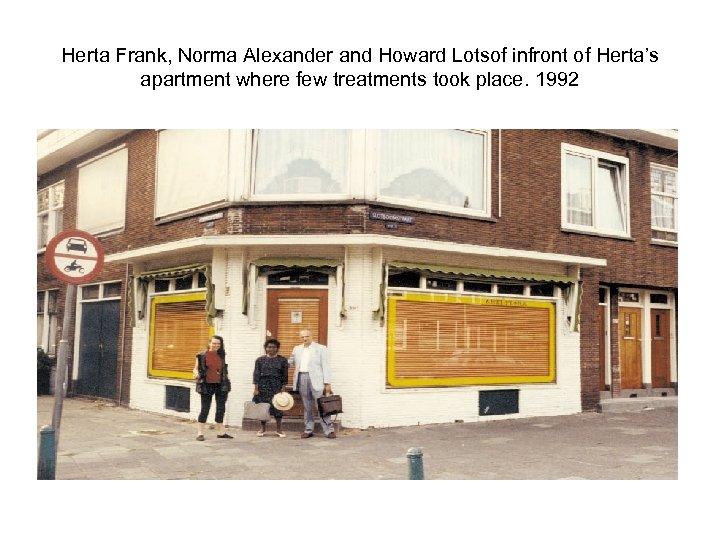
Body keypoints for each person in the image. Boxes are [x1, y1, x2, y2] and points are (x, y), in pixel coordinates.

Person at [288, 329, 335, 439]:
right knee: (307, 406)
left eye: (307, 336)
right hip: (302, 377)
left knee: (321, 405)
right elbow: (291, 361)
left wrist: (327, 383)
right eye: (302, 337)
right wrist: (278, 361)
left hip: (317, 380)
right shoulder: (297, 349)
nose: (305, 339)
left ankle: (329, 430)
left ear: (311, 336)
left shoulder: (321, 349)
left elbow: (326, 366)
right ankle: (308, 429)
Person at [193, 335, 233, 441]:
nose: (216, 345)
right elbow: (195, 368)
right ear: (209, 343)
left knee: (221, 408)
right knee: (205, 408)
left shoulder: (222, 355)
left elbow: (224, 370)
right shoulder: (201, 355)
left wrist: (226, 380)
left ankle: (221, 432)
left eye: (218, 344)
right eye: (214, 343)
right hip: (207, 384)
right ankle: (200, 433)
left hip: (221, 384)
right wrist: (196, 374)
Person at [252, 338, 289, 438]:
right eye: (269, 347)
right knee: (263, 408)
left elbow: (285, 376)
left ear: (277, 349)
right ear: (265, 348)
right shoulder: (260, 360)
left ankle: (279, 429)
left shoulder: (282, 360)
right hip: (263, 386)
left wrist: (283, 387)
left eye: (273, 347)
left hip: (276, 386)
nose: (271, 349)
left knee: (278, 407)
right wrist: (256, 388)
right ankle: (262, 429)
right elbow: (256, 375)